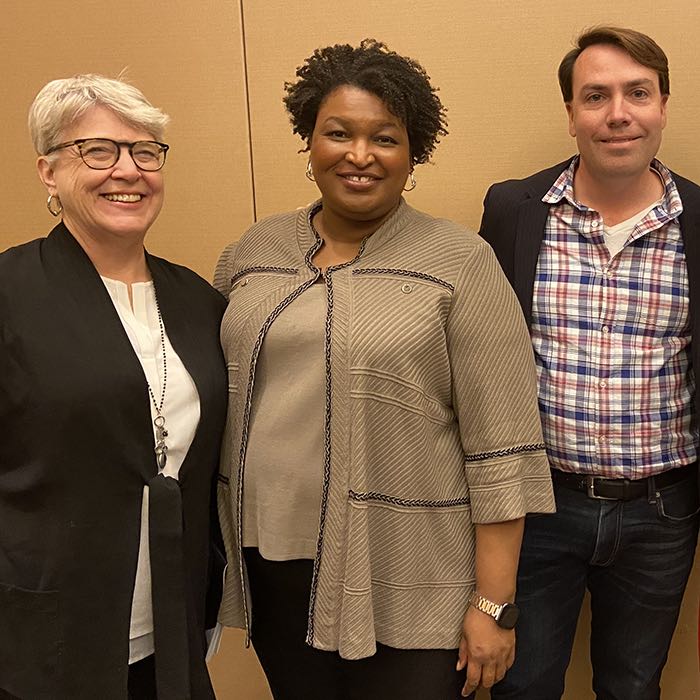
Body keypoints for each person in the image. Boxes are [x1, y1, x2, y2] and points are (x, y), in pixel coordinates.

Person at [214, 39, 554, 700]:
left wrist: (494, 606)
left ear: (413, 152)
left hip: (411, 575)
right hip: (273, 567)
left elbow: (502, 450)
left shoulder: (461, 262)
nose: (360, 155)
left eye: (385, 138)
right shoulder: (252, 251)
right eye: (338, 133)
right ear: (309, 141)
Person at [480, 27, 700, 700]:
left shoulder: (699, 220)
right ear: (571, 113)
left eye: (637, 93)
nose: (618, 114)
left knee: (634, 686)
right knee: (522, 687)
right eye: (595, 96)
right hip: (540, 506)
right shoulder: (516, 210)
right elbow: (484, 354)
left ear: (663, 104)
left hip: (662, 513)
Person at [0, 75, 228, 700]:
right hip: (40, 638)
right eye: (97, 151)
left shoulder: (198, 303)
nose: (126, 170)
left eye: (145, 152)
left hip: (171, 631)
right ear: (49, 172)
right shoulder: (10, 292)